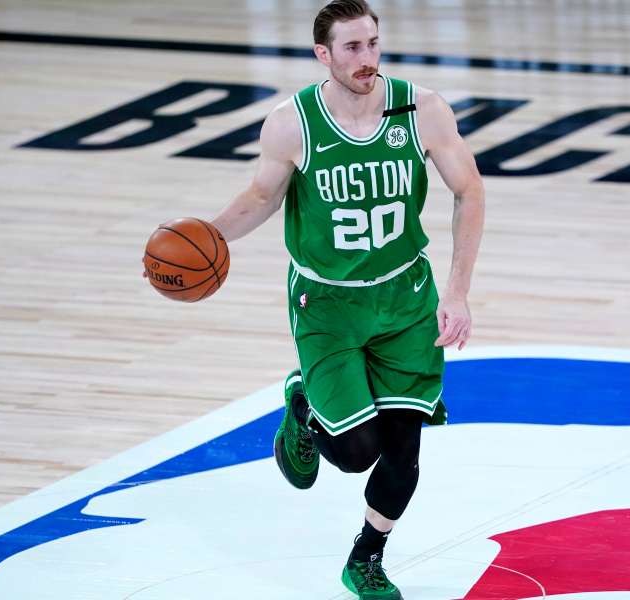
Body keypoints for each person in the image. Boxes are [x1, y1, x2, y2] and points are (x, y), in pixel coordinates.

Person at [207, 0, 484, 597]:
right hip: (327, 303)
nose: (367, 58)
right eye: (352, 48)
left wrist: (457, 290)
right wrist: (206, 236)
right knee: (358, 452)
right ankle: (303, 406)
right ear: (323, 54)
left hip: (406, 297)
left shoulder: (422, 109)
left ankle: (366, 559)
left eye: (373, 44)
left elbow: (469, 190)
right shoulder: (293, 123)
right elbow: (261, 198)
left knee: (404, 451)